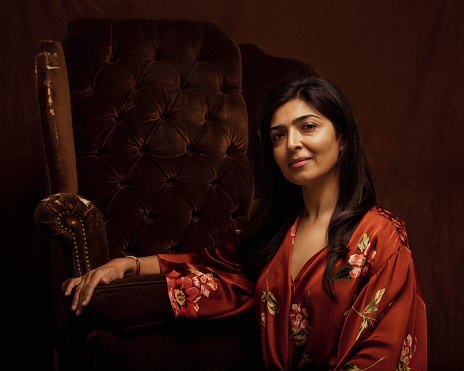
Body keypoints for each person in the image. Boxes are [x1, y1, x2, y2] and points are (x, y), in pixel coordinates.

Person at [65, 76, 427, 370]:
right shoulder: (276, 232)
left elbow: (384, 349)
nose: (293, 144)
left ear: (343, 138)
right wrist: (125, 265)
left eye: (308, 126)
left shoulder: (381, 236)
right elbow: (207, 262)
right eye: (278, 135)